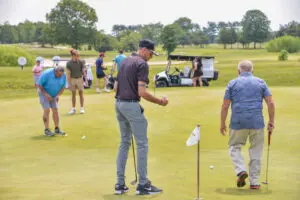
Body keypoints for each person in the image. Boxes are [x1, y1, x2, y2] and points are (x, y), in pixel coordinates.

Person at [113, 39, 168, 195]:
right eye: (150, 53)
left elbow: (115, 87)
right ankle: (143, 185)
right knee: (142, 144)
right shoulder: (142, 64)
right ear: (144, 50)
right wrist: (160, 102)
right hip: (130, 104)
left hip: (118, 104)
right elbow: (142, 92)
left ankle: (120, 184)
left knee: (124, 143)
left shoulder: (123, 61)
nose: (151, 56)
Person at [220, 60, 275, 189]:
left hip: (238, 121)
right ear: (252, 70)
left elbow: (225, 105)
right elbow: (270, 102)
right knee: (256, 151)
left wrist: (222, 123)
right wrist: (271, 121)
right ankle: (255, 182)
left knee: (234, 147)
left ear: (238, 71)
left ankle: (240, 170)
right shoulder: (261, 82)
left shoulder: (232, 83)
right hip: (257, 121)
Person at [37, 66, 66, 136]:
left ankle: (57, 129)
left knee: (55, 109)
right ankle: (46, 130)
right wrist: (46, 94)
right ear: (55, 72)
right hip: (43, 93)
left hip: (54, 94)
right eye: (59, 75)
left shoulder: (63, 75)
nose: (60, 77)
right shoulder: (46, 74)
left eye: (61, 75)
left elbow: (63, 87)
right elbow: (39, 85)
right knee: (47, 110)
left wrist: (58, 95)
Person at [66, 49, 88, 114]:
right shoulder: (69, 63)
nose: (78, 57)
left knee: (81, 93)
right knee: (73, 94)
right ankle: (73, 109)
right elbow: (68, 74)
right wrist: (68, 83)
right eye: (77, 55)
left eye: (78, 55)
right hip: (72, 79)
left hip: (80, 79)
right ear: (73, 56)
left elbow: (83, 71)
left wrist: (86, 80)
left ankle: (82, 108)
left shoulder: (81, 62)